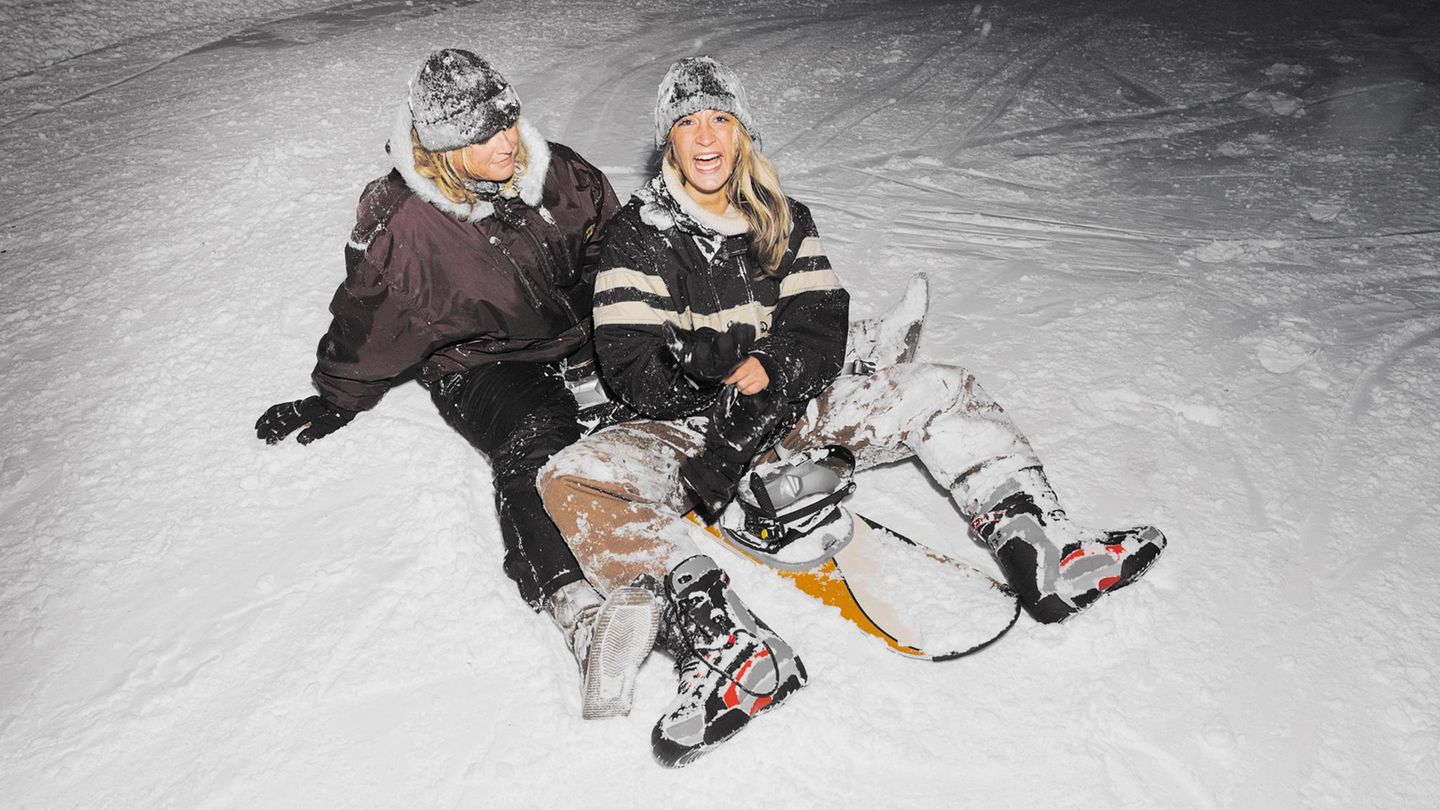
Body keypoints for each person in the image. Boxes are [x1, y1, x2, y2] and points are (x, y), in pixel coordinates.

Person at [538, 56, 1168, 766]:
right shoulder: (639, 236)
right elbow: (630, 366)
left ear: (742, 131)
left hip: (789, 408)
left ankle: (1045, 550)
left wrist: (771, 371)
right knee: (569, 479)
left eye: (720, 119)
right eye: (688, 123)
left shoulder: (781, 219)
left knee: (939, 387)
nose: (706, 137)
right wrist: (710, 378)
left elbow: (819, 325)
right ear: (669, 141)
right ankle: (725, 645)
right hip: (687, 429)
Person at [252, 48, 662, 720]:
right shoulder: (404, 226)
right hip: (480, 361)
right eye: (483, 134)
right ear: (443, 146)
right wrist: (335, 396)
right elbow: (370, 321)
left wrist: (633, 326)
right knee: (536, 442)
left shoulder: (558, 171)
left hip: (579, 330)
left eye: (509, 122)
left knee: (663, 381)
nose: (507, 142)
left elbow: (614, 251)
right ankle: (580, 615)